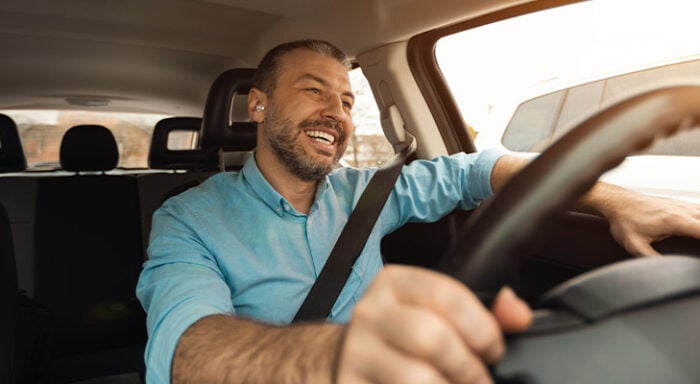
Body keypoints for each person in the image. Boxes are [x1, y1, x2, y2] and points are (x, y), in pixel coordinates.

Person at [136, 39, 700, 383]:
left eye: (348, 100)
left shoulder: (372, 193)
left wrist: (613, 200)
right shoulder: (188, 218)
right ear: (258, 105)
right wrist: (341, 361)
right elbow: (187, 348)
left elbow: (483, 169)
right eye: (314, 91)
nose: (337, 113)